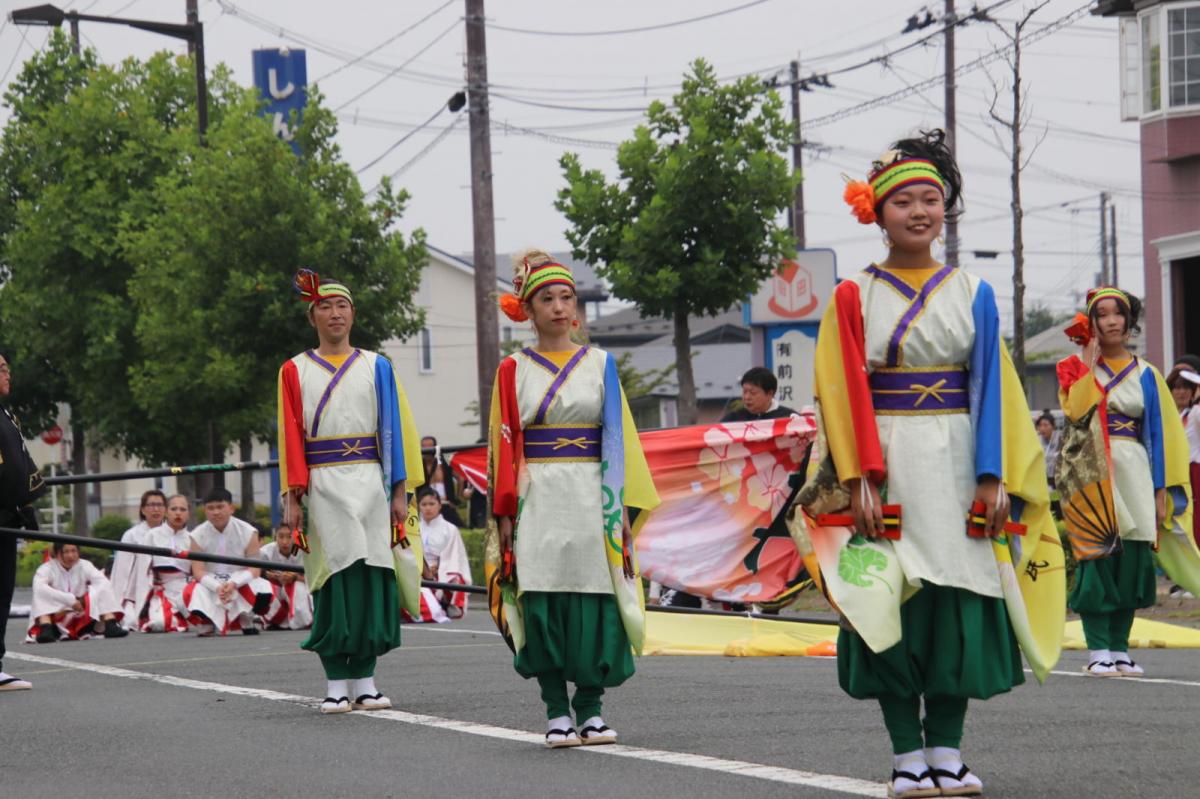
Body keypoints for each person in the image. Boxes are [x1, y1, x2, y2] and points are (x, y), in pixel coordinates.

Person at [814, 130, 1054, 797]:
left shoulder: (973, 290)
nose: (920, 211)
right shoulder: (852, 295)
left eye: (932, 198)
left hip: (956, 456)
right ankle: (903, 752)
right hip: (886, 457)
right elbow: (840, 387)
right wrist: (858, 475)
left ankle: (946, 747)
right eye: (904, 201)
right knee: (889, 596)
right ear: (877, 212)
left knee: (956, 595)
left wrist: (993, 473)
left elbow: (992, 389)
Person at [488, 250, 659, 748]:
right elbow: (503, 441)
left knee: (595, 596)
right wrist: (503, 511)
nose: (559, 307)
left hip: (591, 493)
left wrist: (622, 507)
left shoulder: (601, 363)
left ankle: (591, 708)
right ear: (528, 308)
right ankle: (556, 711)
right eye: (547, 298)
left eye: (566, 297)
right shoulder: (511, 370)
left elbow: (618, 436)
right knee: (542, 594)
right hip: (537, 492)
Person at [278, 269, 424, 714]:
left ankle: (365, 678)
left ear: (353, 314)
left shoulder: (376, 365)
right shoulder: (294, 370)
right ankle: (335, 680)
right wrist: (293, 498)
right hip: (322, 485)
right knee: (332, 579)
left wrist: (399, 492)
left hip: (371, 482)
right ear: (312, 316)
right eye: (325, 306)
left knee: (371, 579)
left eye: (342, 306)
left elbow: (395, 432)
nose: (335, 314)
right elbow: (291, 436)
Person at [1057, 288, 1193, 676]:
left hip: (1134, 466)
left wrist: (1161, 488)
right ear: (1091, 322)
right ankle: (1097, 649)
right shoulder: (1074, 368)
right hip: (1091, 470)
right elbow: (1078, 411)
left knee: (1132, 559)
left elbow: (1160, 433)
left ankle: (1120, 648)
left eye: (1119, 313)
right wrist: (1086, 359)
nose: (1112, 321)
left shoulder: (1147, 373)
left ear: (1129, 320)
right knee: (1098, 556)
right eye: (1102, 314)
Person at [0, 352, 45, 690]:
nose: (7, 375)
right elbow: (9, 469)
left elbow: (21, 460)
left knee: (2, 590)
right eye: (1, 370)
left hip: (6, 512)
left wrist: (27, 507)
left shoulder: (5, 413)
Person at [184, 488, 274, 637]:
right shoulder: (197, 535)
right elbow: (198, 571)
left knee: (263, 587)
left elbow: (254, 570)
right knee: (192, 591)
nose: (215, 512)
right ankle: (207, 621)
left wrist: (234, 583)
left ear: (231, 508)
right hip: (211, 579)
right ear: (205, 511)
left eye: (220, 507)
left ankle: (247, 618)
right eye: (211, 508)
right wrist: (217, 587)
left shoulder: (249, 531)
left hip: (239, 577)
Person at [29, 543, 127, 642]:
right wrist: (69, 600)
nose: (71, 556)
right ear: (58, 553)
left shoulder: (85, 565)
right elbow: (39, 588)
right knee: (40, 591)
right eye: (66, 552)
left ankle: (110, 623)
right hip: (56, 614)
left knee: (102, 587)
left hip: (81, 613)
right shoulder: (46, 568)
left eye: (73, 551)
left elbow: (102, 582)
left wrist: (83, 600)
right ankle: (46, 628)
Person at [108, 489, 168, 630]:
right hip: (135, 591)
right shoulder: (131, 535)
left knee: (163, 622)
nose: (156, 509)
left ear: (165, 509)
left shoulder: (171, 533)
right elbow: (121, 571)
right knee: (130, 621)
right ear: (142, 509)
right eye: (151, 505)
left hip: (164, 589)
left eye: (160, 505)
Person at [139, 494, 194, 633]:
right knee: (159, 624)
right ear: (166, 511)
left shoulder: (193, 538)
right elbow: (143, 570)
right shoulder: (151, 535)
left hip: (186, 589)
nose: (178, 513)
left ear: (188, 513)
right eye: (174, 509)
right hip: (160, 589)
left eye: (182, 509)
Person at [417, 486, 472, 618]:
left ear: (440, 505)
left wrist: (437, 568)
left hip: (441, 570)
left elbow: (453, 556)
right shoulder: (414, 528)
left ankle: (446, 604)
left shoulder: (450, 529)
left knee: (455, 578)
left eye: (432, 504)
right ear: (419, 506)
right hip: (418, 571)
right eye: (424, 504)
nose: (428, 508)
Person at [1167, 364, 1200, 553]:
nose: (1181, 392)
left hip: (1194, 472)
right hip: (1175, 475)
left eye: (1187, 387)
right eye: (1177, 387)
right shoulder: (1169, 417)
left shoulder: (1195, 413)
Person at [260, 524, 313, 630]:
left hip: (302, 587)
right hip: (277, 588)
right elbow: (256, 574)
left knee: (297, 587)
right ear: (275, 537)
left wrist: (295, 578)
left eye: (289, 537)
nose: (285, 542)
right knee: (265, 587)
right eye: (281, 536)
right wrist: (267, 576)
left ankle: (304, 619)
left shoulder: (304, 545)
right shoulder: (265, 552)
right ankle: (277, 620)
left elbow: (315, 576)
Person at [720, 367, 798, 422]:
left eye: (753, 392)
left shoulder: (789, 417)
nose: (747, 397)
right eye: (744, 392)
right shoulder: (733, 419)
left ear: (769, 394)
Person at [421, 435, 464, 526]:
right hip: (427, 505)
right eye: (424, 447)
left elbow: (460, 478)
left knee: (458, 527)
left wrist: (458, 498)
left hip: (446, 505)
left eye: (430, 447)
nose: (427, 450)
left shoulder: (444, 464)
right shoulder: (419, 466)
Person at [1036, 411, 1061, 486]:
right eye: (1040, 425)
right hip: (1042, 478)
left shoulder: (1060, 439)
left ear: (1053, 426)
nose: (1042, 428)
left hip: (1058, 478)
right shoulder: (1037, 440)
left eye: (1046, 425)